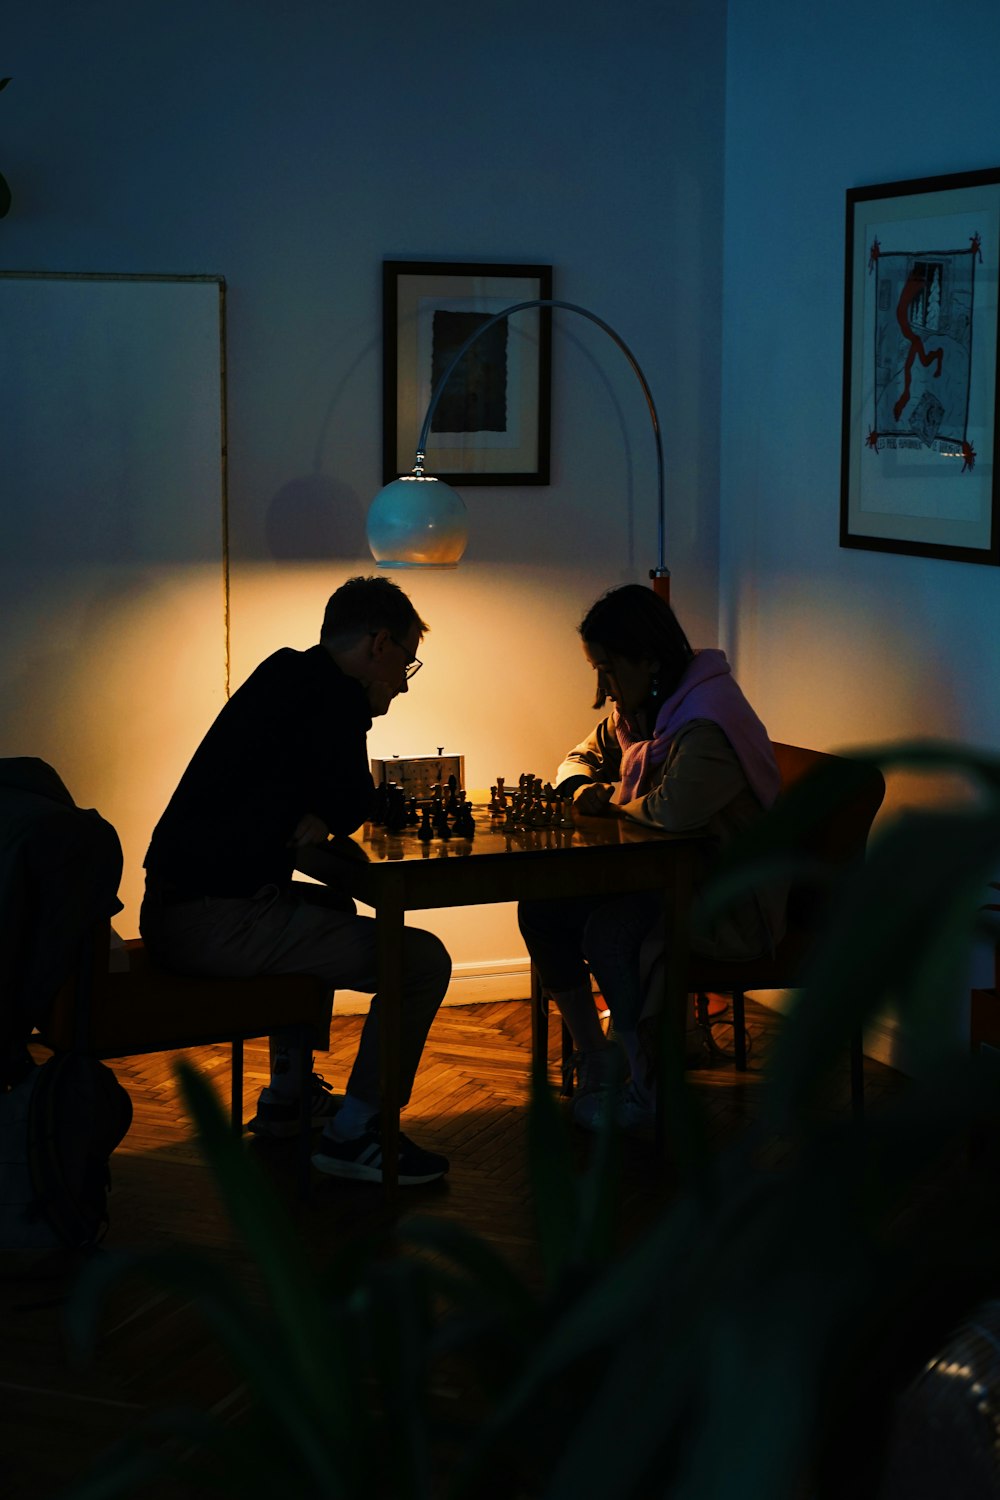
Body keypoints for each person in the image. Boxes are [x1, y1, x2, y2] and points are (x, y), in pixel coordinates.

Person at [140, 575, 451, 1186]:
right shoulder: (333, 697)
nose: (403, 682)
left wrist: (320, 810)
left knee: (332, 905)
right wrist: (334, 796)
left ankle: (288, 1096)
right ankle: (357, 1132)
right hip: (216, 921)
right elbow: (352, 796)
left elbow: (320, 796)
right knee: (421, 962)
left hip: (176, 907)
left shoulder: (287, 674)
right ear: (378, 644)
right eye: (406, 662)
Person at [517, 584, 785, 1133]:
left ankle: (648, 1087)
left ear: (650, 660)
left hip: (726, 898)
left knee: (609, 933)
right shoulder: (644, 714)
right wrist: (578, 787)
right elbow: (576, 758)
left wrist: (605, 794)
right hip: (667, 880)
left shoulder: (707, 723)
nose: (603, 687)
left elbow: (672, 810)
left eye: (609, 669)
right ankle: (599, 1057)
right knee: (541, 909)